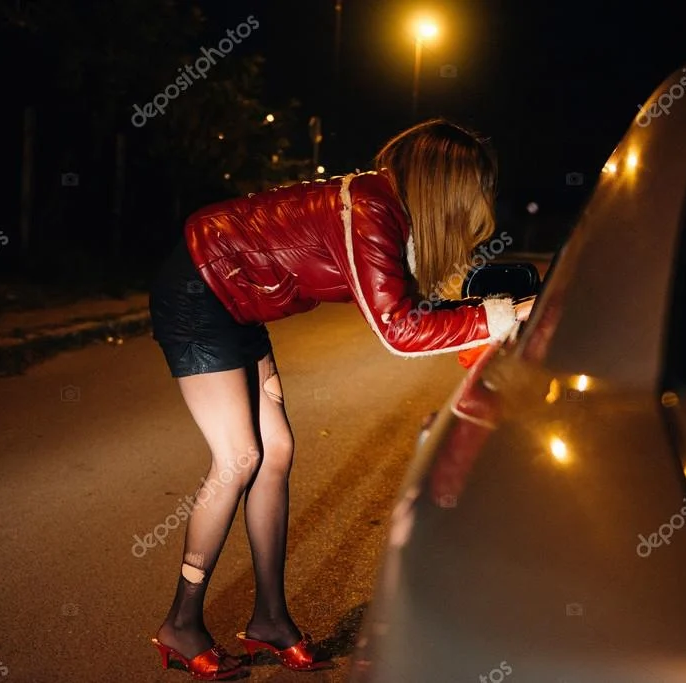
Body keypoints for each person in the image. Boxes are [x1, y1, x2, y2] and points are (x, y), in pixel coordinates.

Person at [147, 118, 532, 679]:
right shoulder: (371, 213)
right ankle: (180, 625)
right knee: (239, 458)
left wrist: (490, 315)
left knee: (276, 451)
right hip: (198, 287)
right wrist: (506, 317)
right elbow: (399, 330)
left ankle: (270, 621)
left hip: (237, 298)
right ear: (445, 183)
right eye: (476, 186)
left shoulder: (391, 212)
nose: (480, 200)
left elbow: (420, 305)